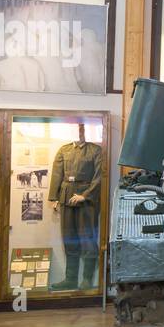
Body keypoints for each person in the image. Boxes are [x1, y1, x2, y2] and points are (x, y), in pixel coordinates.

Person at [49, 124, 104, 290]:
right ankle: (70, 279)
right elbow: (57, 173)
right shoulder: (63, 150)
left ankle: (87, 279)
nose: (79, 133)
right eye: (76, 130)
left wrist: (85, 196)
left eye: (81, 130)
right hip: (66, 197)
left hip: (86, 201)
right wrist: (54, 198)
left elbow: (99, 176)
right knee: (69, 237)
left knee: (88, 238)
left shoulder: (95, 150)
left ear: (85, 131)